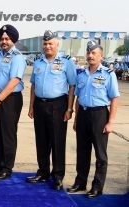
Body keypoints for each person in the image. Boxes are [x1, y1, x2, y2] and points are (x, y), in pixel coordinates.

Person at [67, 40, 120, 198]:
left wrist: (110, 122)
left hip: (99, 115)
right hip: (83, 114)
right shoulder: (81, 74)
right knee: (82, 151)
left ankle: (97, 186)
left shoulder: (108, 74)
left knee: (100, 154)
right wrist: (76, 119)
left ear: (101, 56)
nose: (90, 55)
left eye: (94, 53)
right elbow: (77, 98)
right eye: (88, 53)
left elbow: (114, 99)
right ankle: (80, 182)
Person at [26, 30, 76, 190]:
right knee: (41, 140)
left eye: (50, 43)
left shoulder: (67, 62)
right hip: (40, 105)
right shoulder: (38, 62)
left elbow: (72, 86)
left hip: (58, 105)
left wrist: (69, 108)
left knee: (57, 141)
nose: (47, 46)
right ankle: (43, 172)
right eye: (45, 43)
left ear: (57, 45)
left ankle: (58, 176)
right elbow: (33, 85)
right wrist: (31, 106)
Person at [0, 24, 26, 180]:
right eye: (2, 38)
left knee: (8, 134)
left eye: (7, 38)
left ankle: (7, 168)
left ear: (13, 40)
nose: (4, 41)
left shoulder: (17, 57)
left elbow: (14, 81)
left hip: (10, 99)